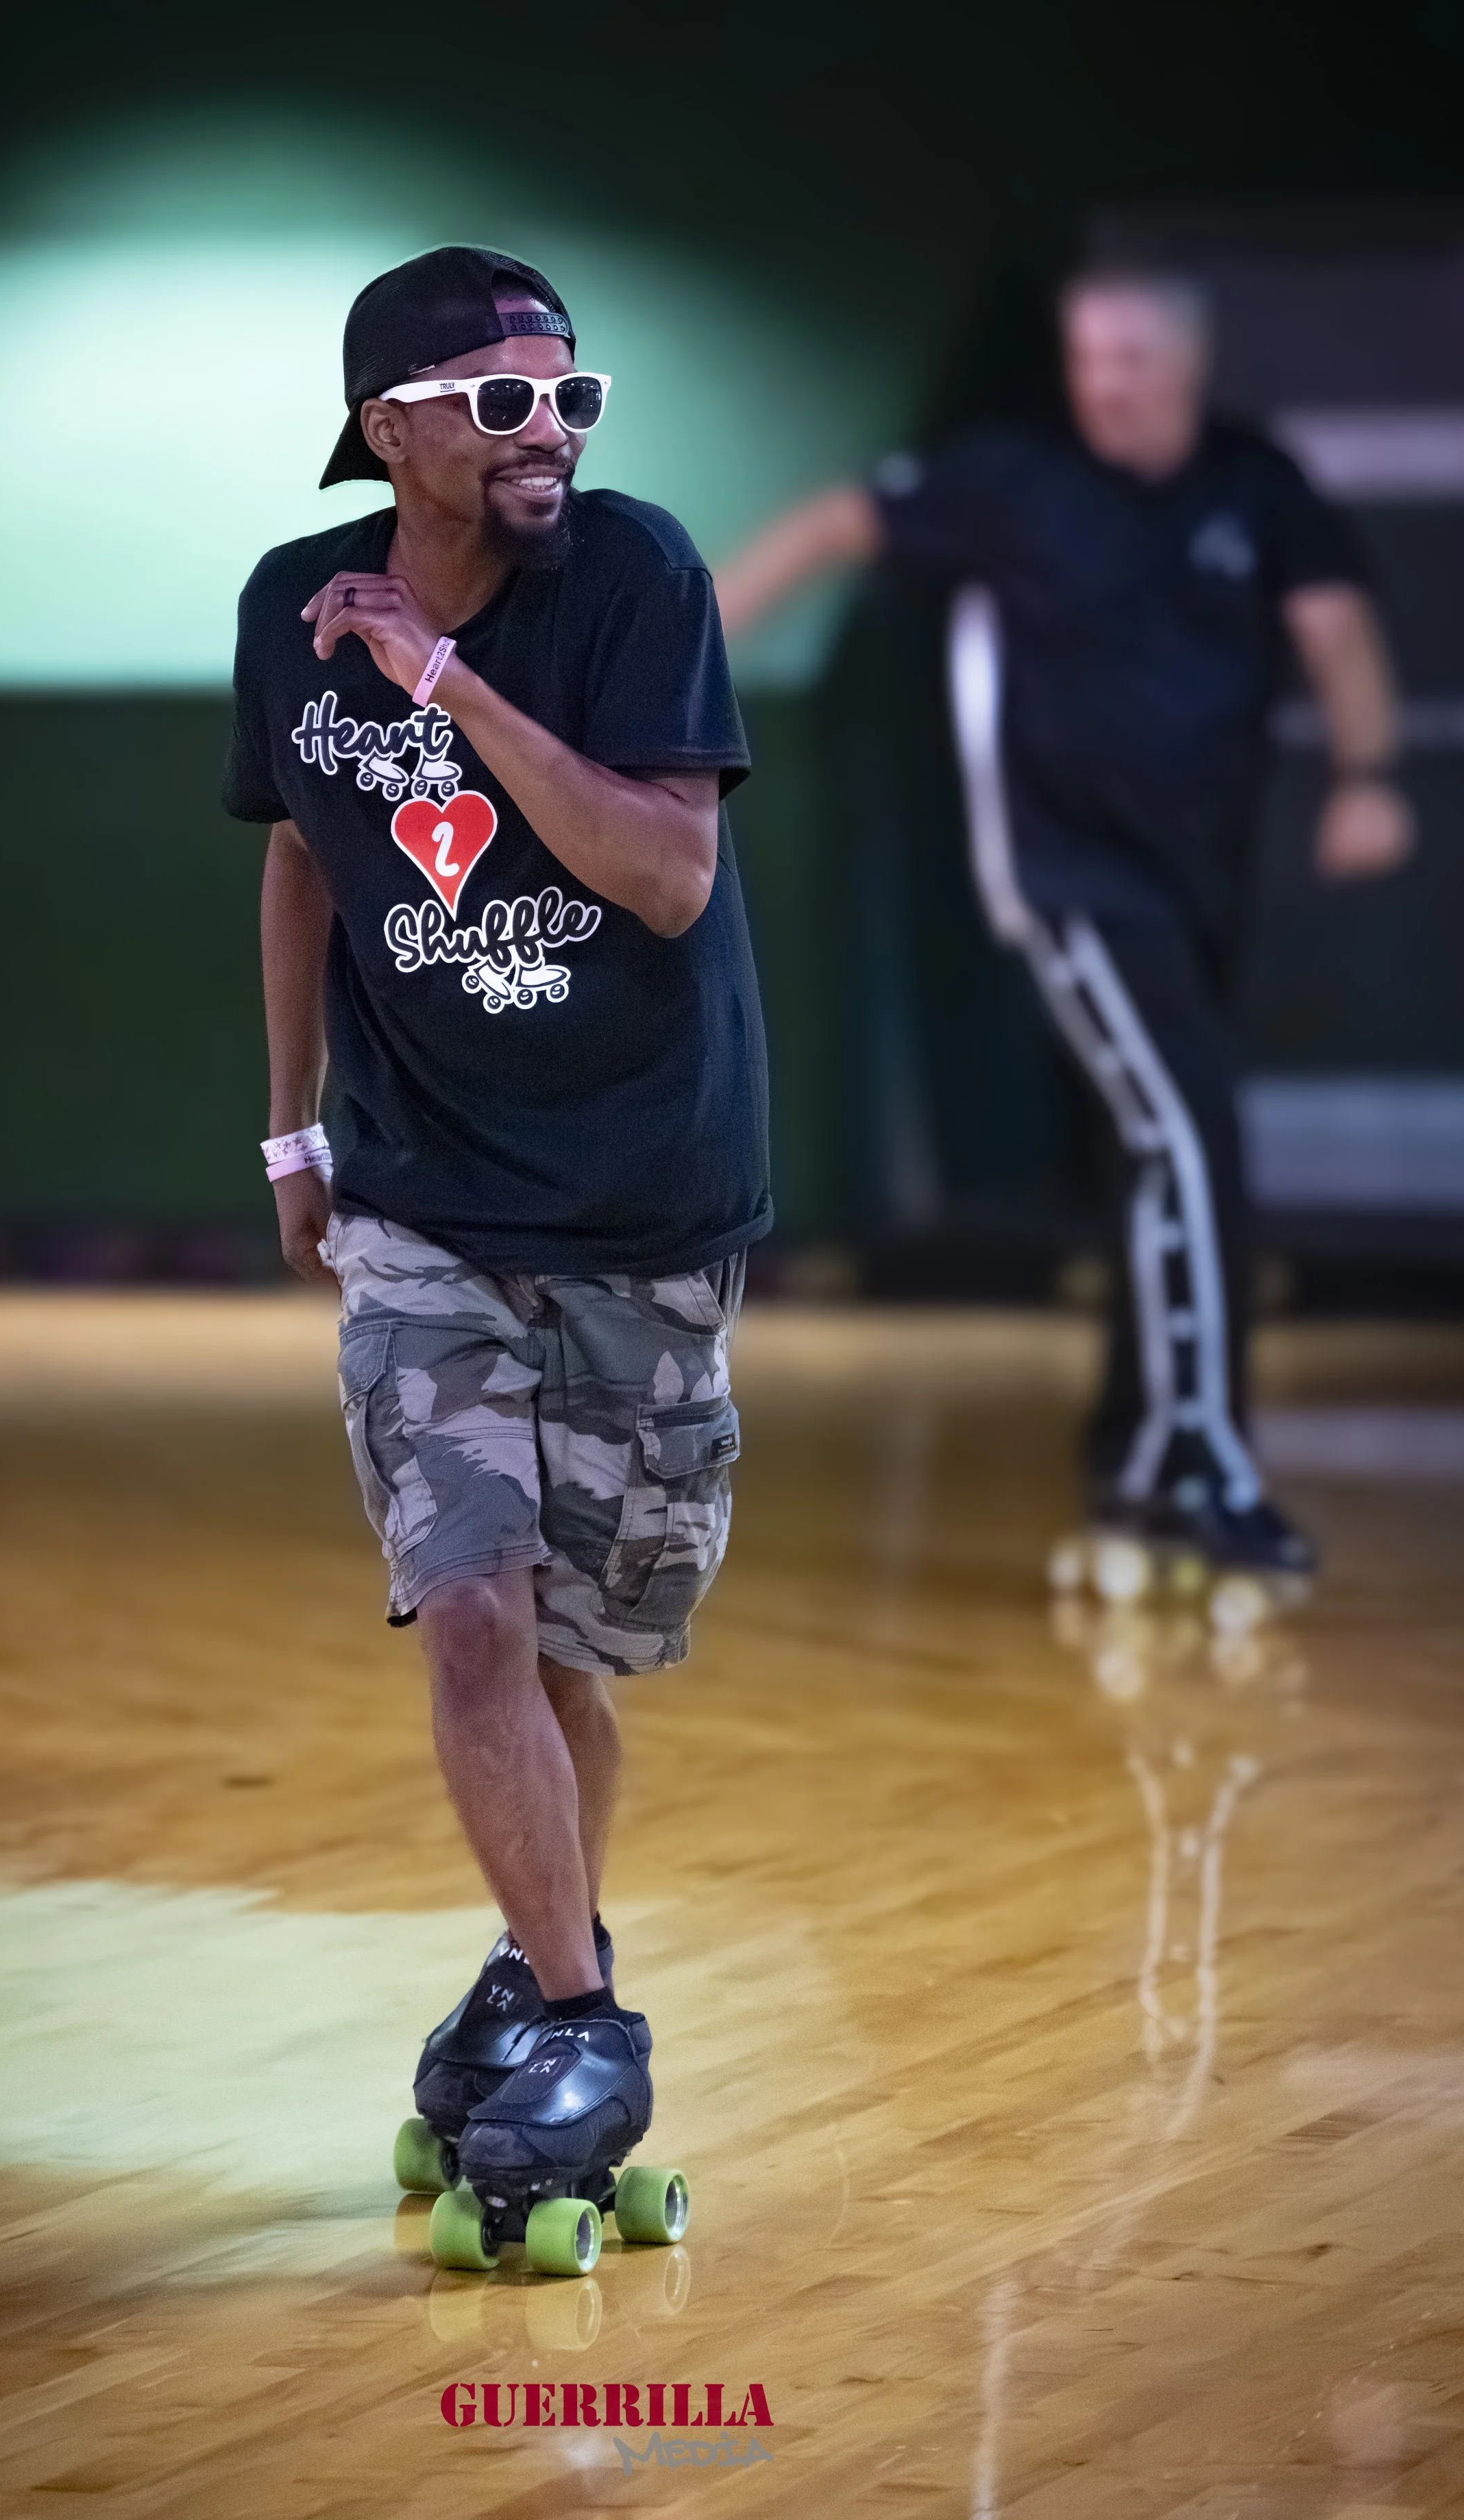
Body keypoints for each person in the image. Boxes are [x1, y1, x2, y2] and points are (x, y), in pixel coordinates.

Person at [224, 245, 769, 2252]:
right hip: (421, 1209)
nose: (551, 432)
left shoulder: (631, 574)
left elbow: (664, 871)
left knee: (565, 1654)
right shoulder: (291, 611)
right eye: (502, 401)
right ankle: (581, 2021)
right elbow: (302, 854)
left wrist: (443, 687)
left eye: (571, 396)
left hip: (643, 1204)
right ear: (390, 429)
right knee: (468, 1610)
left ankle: (540, 1970)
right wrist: (294, 1125)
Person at [713, 265, 1413, 1579]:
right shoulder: (1015, 479)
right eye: (1088, 358)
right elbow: (835, 523)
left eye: (1131, 359)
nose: (1106, 385)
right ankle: (1199, 1460)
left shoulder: (1255, 483)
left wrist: (1367, 772)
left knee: (1163, 1155)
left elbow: (1337, 630)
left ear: (1189, 366)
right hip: (1068, 881)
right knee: (1193, 1139)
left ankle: (1134, 1451)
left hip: (1197, 877)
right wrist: (686, 652)